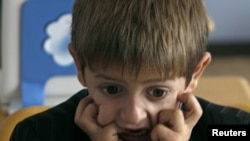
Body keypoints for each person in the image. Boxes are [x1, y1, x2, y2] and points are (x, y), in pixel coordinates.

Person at [10, 0, 250, 141]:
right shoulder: (37, 134)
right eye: (112, 89)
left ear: (195, 73)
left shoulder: (231, 129)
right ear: (80, 66)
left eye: (157, 92)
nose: (134, 116)